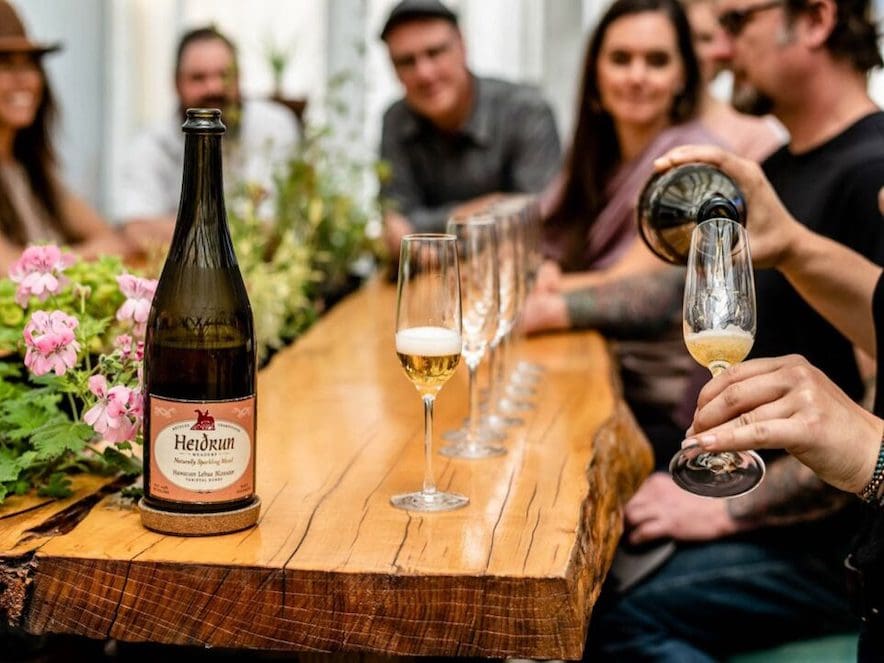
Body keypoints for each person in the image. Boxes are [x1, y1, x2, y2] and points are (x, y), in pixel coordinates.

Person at [584, 0, 884, 658]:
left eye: (736, 22)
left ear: (816, 20)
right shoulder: (781, 166)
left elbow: (867, 424)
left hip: (831, 546)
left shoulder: (872, 173)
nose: (716, 51)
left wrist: (721, 511)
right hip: (770, 502)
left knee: (609, 618)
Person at [656, 144, 884, 661]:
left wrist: (877, 454)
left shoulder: (863, 165)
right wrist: (793, 248)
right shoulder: (783, 162)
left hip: (826, 555)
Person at [523, 0, 718, 464]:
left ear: (683, 78)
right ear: (595, 76)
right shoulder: (597, 160)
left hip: (664, 416)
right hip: (594, 382)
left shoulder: (691, 165)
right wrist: (546, 268)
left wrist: (549, 292)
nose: (637, 76)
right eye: (620, 58)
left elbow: (645, 291)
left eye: (657, 61)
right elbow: (541, 242)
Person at [378, 0, 561, 254]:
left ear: (462, 46)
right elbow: (396, 227)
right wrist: (463, 215)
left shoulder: (527, 110)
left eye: (435, 52)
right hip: (431, 284)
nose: (424, 73)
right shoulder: (395, 119)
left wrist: (425, 235)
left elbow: (537, 221)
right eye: (407, 62)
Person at [115, 26, 299, 255]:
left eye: (224, 75)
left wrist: (178, 231)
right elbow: (138, 231)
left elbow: (277, 228)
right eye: (198, 78)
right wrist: (238, 230)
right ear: (176, 83)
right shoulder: (151, 144)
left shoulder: (275, 126)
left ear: (239, 77)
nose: (213, 87)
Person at [0, 0, 129, 273]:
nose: (24, 80)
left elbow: (115, 243)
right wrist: (78, 258)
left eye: (29, 65)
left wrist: (46, 266)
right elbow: (11, 270)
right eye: (6, 66)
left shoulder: (31, 171)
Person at [681, 0, 785, 160]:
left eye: (706, 39)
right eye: (688, 40)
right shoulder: (655, 119)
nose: (695, 52)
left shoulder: (753, 129)